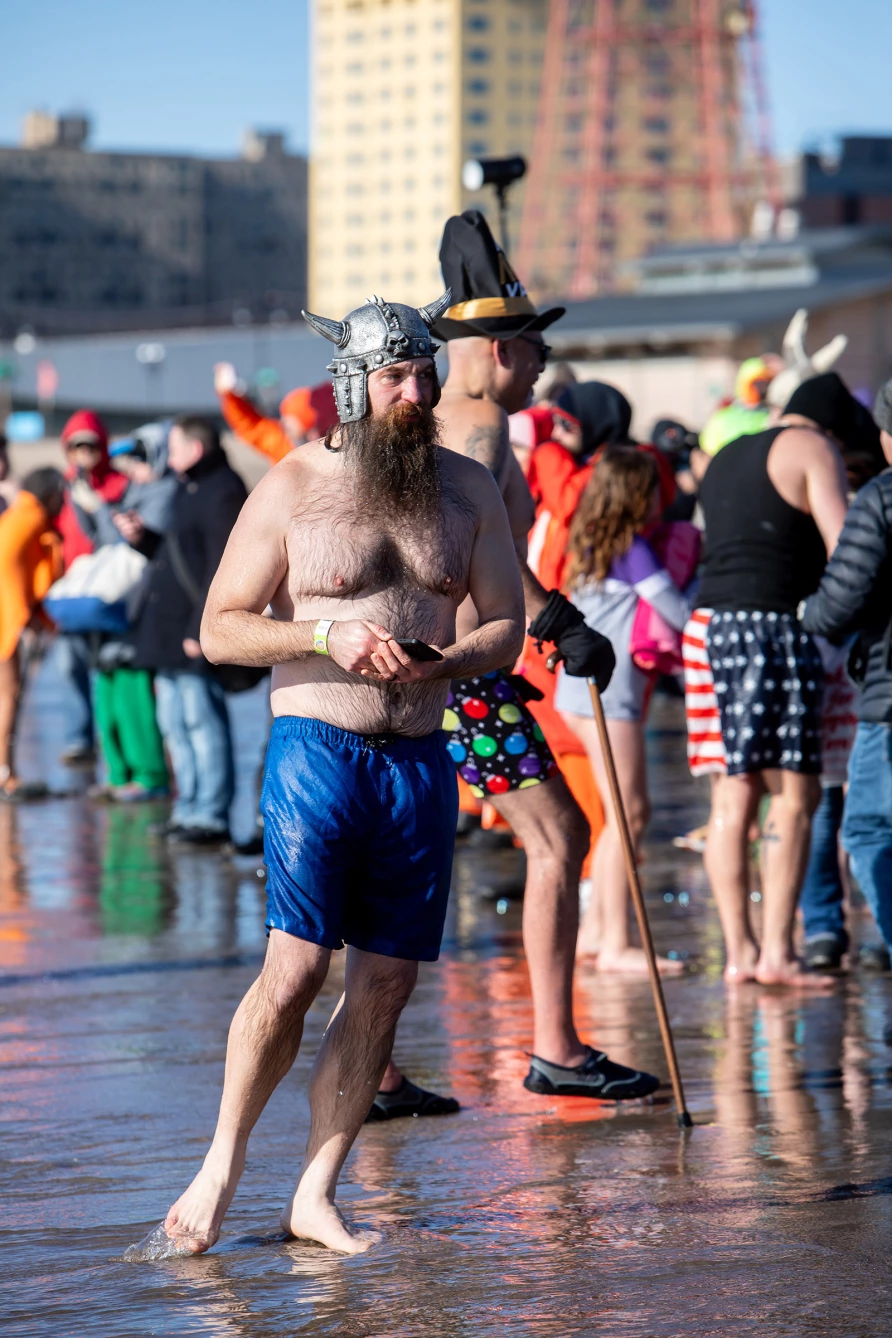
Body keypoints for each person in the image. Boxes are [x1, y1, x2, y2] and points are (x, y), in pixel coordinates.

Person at [135, 290, 526, 1258]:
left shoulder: (468, 488)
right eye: (395, 375)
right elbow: (223, 627)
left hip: (420, 758)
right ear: (350, 383)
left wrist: (446, 662)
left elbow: (505, 628)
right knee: (297, 968)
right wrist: (322, 635)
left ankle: (316, 1193)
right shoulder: (293, 484)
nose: (417, 392)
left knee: (387, 982)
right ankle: (221, 1166)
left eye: (425, 372)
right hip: (318, 747)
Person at [427, 211, 659, 1101]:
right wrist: (556, 619)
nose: (542, 367)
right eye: (536, 350)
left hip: (445, 672)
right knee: (562, 837)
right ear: (498, 350)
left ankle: (383, 1065)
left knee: (405, 856)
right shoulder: (480, 428)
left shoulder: (451, 425)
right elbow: (469, 555)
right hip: (460, 676)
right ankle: (557, 1047)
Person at [690, 371, 852, 985]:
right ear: (832, 428)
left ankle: (739, 954)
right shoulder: (813, 446)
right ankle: (779, 954)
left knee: (732, 794)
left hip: (708, 627)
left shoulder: (729, 452)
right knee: (794, 795)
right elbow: (848, 553)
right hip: (771, 626)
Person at [556, 448, 693, 970]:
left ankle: (596, 934)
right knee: (629, 814)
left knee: (623, 814)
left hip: (586, 694)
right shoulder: (632, 549)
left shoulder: (591, 540)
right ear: (638, 494)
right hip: (607, 697)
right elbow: (677, 613)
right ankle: (615, 942)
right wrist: (703, 583)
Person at [802, 376, 892, 958]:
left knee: (870, 829)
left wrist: (806, 611)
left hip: (888, 696)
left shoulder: (882, 496)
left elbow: (838, 603)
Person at [128, 417, 246, 844]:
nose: (169, 453)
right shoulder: (188, 486)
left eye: (175, 446)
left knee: (202, 723)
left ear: (195, 450)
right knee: (175, 725)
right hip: (167, 630)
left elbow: (224, 566)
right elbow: (179, 552)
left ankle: (211, 815)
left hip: (194, 634)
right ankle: (188, 808)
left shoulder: (223, 489)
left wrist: (202, 629)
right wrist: (143, 539)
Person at [73, 423, 178, 802]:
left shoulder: (166, 490)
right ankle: (118, 773)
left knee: (134, 693)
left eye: (139, 458)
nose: (132, 466)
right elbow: (102, 537)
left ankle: (149, 774)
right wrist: (84, 502)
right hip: (116, 605)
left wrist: (100, 509)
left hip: (140, 607)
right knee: (108, 691)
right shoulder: (136, 489)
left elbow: (135, 542)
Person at [55, 410, 129, 766]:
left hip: (111, 592)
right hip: (73, 592)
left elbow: (115, 537)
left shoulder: (120, 485)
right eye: (77, 446)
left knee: (112, 668)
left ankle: (120, 745)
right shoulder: (63, 488)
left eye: (91, 445)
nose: (84, 453)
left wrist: (97, 505)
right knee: (69, 664)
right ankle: (79, 738)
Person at [0, 468, 64, 798]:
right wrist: (30, 617)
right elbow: (41, 571)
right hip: (6, 619)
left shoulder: (15, 514)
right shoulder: (35, 518)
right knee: (8, 695)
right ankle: (5, 773)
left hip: (8, 612)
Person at [214, 362, 338, 463]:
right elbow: (250, 426)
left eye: (290, 418)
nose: (283, 422)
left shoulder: (332, 449)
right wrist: (229, 396)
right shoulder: (283, 442)